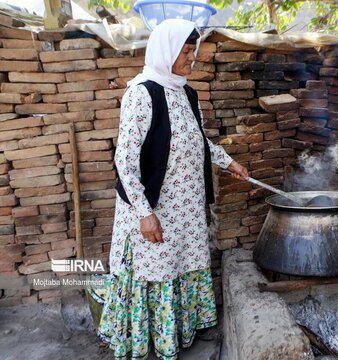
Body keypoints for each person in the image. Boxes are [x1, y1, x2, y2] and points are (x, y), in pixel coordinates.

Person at [93, 19, 249, 359]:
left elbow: (198, 141)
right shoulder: (141, 93)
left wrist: (227, 161)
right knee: (156, 269)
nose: (192, 58)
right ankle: (149, 341)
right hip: (154, 206)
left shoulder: (187, 93)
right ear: (166, 50)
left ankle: (178, 331)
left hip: (186, 206)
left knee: (181, 263)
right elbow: (125, 160)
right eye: (186, 51)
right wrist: (145, 214)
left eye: (194, 51)